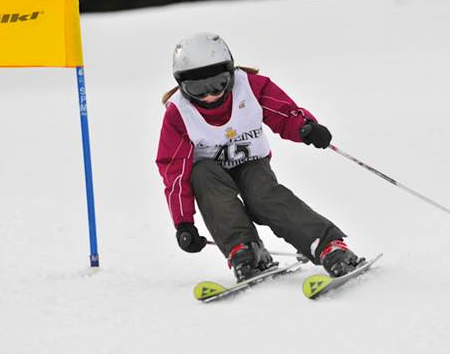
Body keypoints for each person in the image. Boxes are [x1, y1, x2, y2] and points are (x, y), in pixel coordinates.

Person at [156, 32, 363, 282]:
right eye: (197, 89)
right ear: (182, 85)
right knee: (201, 175)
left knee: (263, 196)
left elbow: (284, 112)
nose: (209, 95)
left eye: (218, 84)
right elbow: (174, 170)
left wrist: (305, 127)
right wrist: (183, 222)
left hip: (252, 164)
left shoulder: (251, 87)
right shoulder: (179, 113)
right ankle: (245, 251)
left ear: (230, 74)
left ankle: (328, 245)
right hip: (210, 174)